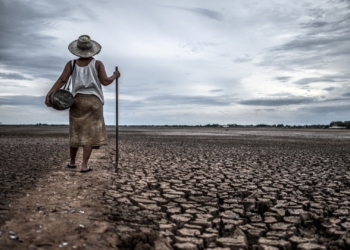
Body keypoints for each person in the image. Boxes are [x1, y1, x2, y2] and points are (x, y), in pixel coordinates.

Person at [45, 35, 120, 173]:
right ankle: (84, 165)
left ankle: (72, 162)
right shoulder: (97, 64)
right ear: (92, 50)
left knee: (76, 132)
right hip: (94, 101)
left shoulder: (71, 64)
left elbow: (62, 80)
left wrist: (49, 94)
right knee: (90, 135)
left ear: (77, 50)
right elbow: (105, 81)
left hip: (77, 101)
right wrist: (115, 76)